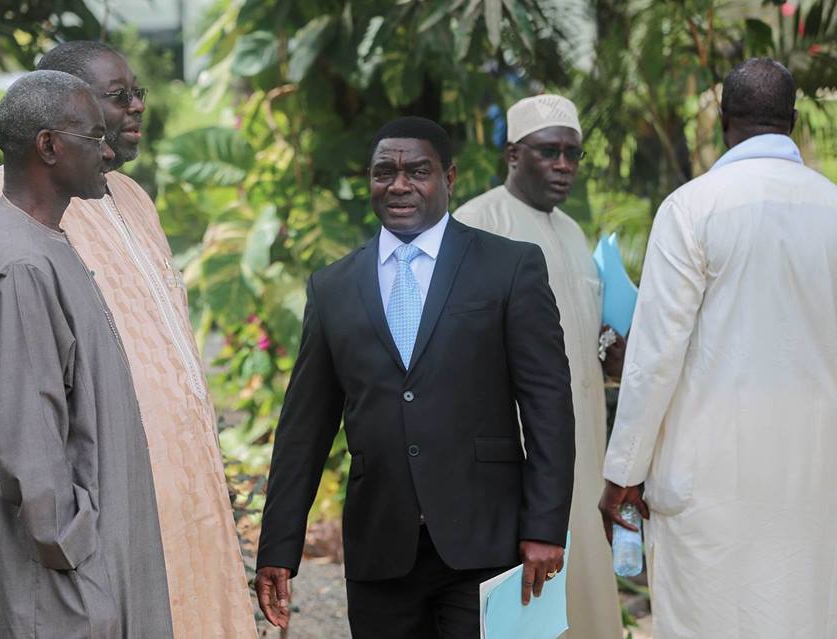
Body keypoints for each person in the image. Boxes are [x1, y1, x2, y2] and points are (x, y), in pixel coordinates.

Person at [0, 42, 257, 638]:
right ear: (64, 111)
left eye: (135, 91)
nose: (137, 106)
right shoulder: (2, 207)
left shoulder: (132, 198)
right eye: (118, 97)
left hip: (174, 499)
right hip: (88, 522)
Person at [254, 116, 576, 638]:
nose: (399, 185)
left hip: (486, 545)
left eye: (417, 171)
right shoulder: (333, 287)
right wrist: (279, 547)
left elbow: (549, 408)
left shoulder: (509, 267)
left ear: (448, 178)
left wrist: (544, 527)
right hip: (381, 550)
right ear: (370, 180)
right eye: (385, 171)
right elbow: (303, 431)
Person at [599, 58, 837, 638]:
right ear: (794, 121)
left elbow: (655, 356)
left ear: (726, 122)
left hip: (709, 481)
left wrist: (623, 473)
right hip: (815, 477)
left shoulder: (691, 208)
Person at [0, 69, 173, 636]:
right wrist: (78, 552)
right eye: (92, 137)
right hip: (64, 594)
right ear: (48, 146)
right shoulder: (21, 263)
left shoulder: (40, 240)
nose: (107, 152)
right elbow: (31, 445)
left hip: (82, 576)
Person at [456, 94, 624, 639]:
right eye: (549, 151)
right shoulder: (475, 224)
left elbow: (583, 337)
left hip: (584, 450)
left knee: (585, 596)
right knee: (522, 609)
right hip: (518, 459)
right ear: (512, 154)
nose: (564, 166)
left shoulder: (574, 234)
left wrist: (608, 344)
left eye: (573, 154)